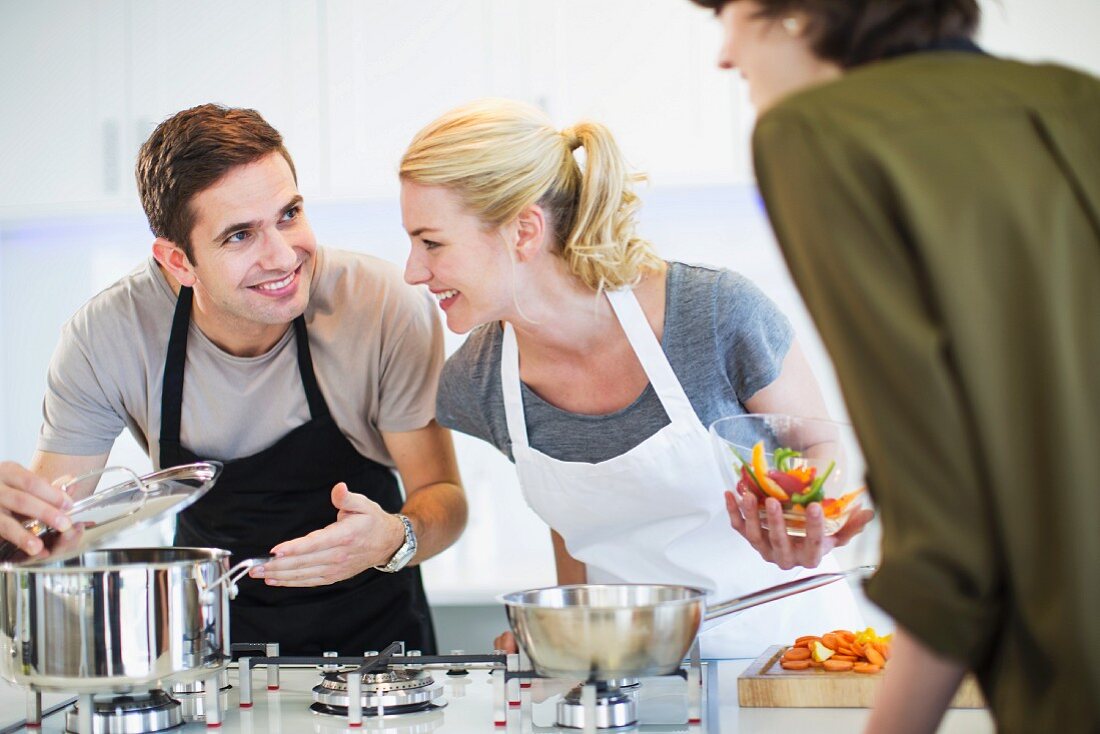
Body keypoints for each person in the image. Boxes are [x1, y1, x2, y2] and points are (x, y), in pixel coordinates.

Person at [687, 0, 1100, 731]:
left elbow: (950, 540)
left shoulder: (816, 134)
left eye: (730, 11)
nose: (724, 53)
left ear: (799, 11)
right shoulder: (1074, 98)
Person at [398, 98, 873, 657]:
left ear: (523, 230)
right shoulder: (477, 382)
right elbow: (575, 526)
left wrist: (803, 521)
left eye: (432, 242)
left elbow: (818, 442)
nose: (413, 271)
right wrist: (562, 642)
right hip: (631, 677)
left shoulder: (714, 313)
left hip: (791, 658)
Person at [0, 104, 467, 655]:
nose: (282, 256)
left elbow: (445, 499)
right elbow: (48, 537)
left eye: (289, 214)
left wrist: (395, 537)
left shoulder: (381, 304)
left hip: (380, 651)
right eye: (240, 236)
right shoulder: (106, 338)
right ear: (178, 262)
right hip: (210, 652)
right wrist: (15, 531)